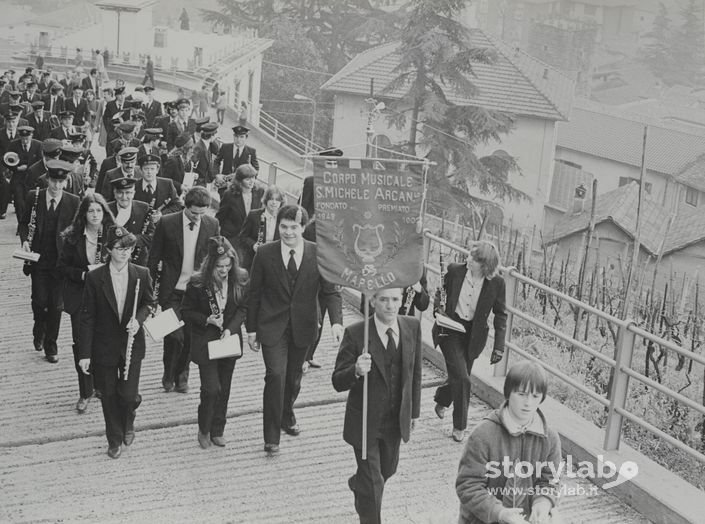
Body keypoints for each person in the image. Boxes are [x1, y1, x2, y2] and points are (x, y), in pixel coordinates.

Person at [246, 204, 343, 453]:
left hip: (304, 326)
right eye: (283, 227)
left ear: (303, 228)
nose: (288, 232)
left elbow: (331, 292)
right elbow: (254, 293)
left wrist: (337, 322)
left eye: (294, 227)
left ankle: (287, 413)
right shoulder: (265, 254)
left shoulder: (318, 253)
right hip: (272, 326)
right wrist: (252, 329)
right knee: (275, 376)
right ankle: (271, 437)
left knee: (293, 379)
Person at [332, 287, 423, 524]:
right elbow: (337, 380)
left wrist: (413, 412)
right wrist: (355, 370)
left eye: (395, 299)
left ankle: (358, 483)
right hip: (365, 423)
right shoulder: (356, 333)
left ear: (402, 300)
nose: (390, 306)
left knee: (386, 472)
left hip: (394, 421)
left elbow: (415, 374)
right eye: (383, 300)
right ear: (372, 301)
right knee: (374, 484)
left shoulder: (412, 327)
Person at [78, 225, 156, 459]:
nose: (125, 252)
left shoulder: (142, 273)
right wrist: (84, 354)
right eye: (119, 248)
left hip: (132, 346)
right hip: (104, 347)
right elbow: (87, 317)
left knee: (128, 396)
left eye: (129, 248)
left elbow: (149, 303)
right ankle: (114, 438)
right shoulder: (95, 277)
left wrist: (139, 320)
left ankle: (129, 419)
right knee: (109, 395)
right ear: (109, 250)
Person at [456, 361, 562, 524]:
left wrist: (543, 502)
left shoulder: (550, 438)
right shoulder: (483, 434)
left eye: (535, 396)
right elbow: (468, 485)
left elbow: (550, 480)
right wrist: (499, 513)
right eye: (521, 394)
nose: (528, 403)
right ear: (508, 393)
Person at [432, 240, 507, 442]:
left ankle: (442, 399)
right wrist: (437, 310)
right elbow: (441, 293)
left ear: (485, 265)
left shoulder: (497, 283)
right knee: (463, 378)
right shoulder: (455, 271)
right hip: (450, 328)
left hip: (473, 336)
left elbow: (501, 315)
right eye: (470, 255)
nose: (468, 259)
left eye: (474, 258)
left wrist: (499, 346)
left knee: (459, 374)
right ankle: (459, 426)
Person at [148, 186, 220, 393]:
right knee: (174, 336)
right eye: (194, 213)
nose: (198, 217)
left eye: (202, 213)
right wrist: (150, 292)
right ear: (185, 207)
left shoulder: (212, 224)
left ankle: (182, 376)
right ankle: (168, 373)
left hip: (196, 292)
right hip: (172, 291)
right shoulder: (167, 223)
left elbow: (215, 258)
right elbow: (154, 257)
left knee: (189, 337)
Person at [181, 236, 249, 449]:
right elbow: (186, 311)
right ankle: (204, 428)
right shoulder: (197, 282)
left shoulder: (241, 278)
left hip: (228, 340)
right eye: (219, 266)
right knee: (211, 389)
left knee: (225, 388)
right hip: (206, 342)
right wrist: (206, 319)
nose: (224, 270)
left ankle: (218, 429)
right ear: (210, 263)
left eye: (228, 265)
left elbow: (243, 309)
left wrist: (231, 329)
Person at [58, 193, 115, 413]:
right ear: (84, 213)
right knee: (81, 343)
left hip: (106, 297)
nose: (95, 215)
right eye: (90, 210)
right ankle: (85, 391)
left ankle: (100, 385)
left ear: (104, 212)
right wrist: (83, 275)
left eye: (99, 210)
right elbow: (62, 267)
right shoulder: (72, 237)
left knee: (102, 341)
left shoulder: (113, 234)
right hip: (80, 296)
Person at [18, 160, 80, 362]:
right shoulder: (33, 197)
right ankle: (39, 329)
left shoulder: (73, 201)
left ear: (66, 181)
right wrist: (25, 241)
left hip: (60, 264)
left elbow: (76, 230)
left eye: (61, 182)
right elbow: (24, 223)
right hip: (38, 261)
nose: (57, 186)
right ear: (47, 180)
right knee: (39, 301)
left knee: (56, 305)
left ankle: (51, 346)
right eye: (53, 181)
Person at [215, 164, 262, 252]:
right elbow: (220, 217)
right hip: (233, 236)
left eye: (253, 178)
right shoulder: (229, 195)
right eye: (248, 179)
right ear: (239, 181)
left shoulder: (259, 192)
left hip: (250, 238)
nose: (252, 181)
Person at [238, 185, 283, 269]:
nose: (274, 202)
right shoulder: (253, 215)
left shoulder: (283, 219)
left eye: (277, 200)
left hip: (275, 261)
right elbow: (242, 238)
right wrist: (253, 245)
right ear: (266, 200)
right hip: (255, 259)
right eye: (271, 199)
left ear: (281, 202)